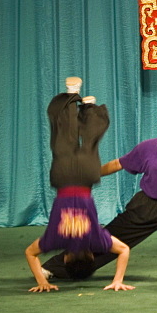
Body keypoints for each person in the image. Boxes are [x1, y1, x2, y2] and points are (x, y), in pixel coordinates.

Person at [43, 78, 157, 279]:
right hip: (144, 208)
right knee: (104, 241)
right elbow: (118, 164)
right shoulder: (147, 148)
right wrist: (91, 174)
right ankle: (53, 268)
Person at [25, 79, 133, 293]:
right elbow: (30, 253)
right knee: (62, 138)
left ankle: (89, 109)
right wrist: (42, 282)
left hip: (86, 177)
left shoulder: (96, 240)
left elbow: (124, 250)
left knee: (90, 142)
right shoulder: (54, 239)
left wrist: (117, 279)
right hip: (63, 177)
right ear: (65, 258)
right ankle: (74, 97)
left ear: (92, 255)